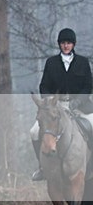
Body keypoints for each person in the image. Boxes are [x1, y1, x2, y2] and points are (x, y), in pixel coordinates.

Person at [30, 27, 93, 181]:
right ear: (59, 44)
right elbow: (43, 86)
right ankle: (42, 167)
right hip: (55, 107)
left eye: (69, 43)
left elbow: (88, 86)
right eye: (63, 43)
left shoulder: (83, 62)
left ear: (73, 45)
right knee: (34, 131)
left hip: (80, 107)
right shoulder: (51, 63)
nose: (66, 46)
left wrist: (77, 101)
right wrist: (51, 101)